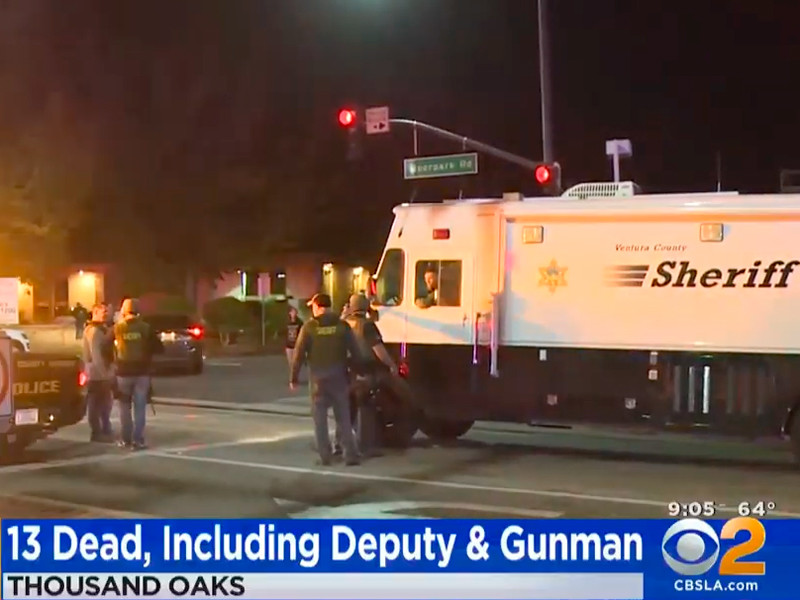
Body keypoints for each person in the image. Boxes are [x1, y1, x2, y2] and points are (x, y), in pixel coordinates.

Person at [289, 293, 360, 466]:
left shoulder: (309, 327)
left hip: (317, 379)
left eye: (312, 306)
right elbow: (355, 351)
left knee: (319, 419)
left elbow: (298, 354)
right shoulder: (342, 326)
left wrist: (294, 378)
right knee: (343, 417)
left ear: (317, 306)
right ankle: (350, 455)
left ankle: (325, 456)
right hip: (339, 376)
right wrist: (357, 373)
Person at [113, 298, 163, 450]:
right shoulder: (145, 327)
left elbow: (104, 346)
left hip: (123, 372)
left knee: (124, 407)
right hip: (142, 372)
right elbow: (159, 348)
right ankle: (138, 440)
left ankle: (125, 439)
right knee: (140, 407)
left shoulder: (118, 328)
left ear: (123, 311)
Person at [82, 303, 115, 443]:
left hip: (99, 372)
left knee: (104, 404)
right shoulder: (94, 331)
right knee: (96, 405)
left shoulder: (100, 329)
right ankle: (98, 432)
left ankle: (105, 430)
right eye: (103, 311)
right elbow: (96, 356)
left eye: (107, 311)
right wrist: (105, 374)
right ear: (95, 312)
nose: (106, 314)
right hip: (96, 375)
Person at [285, 306, 304, 381]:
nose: (294, 313)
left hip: (296, 344)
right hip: (289, 344)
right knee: (290, 362)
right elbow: (284, 332)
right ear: (290, 313)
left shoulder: (299, 322)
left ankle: (295, 377)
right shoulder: (287, 322)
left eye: (295, 312)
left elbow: (302, 332)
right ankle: (292, 376)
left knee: (295, 362)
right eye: (292, 312)